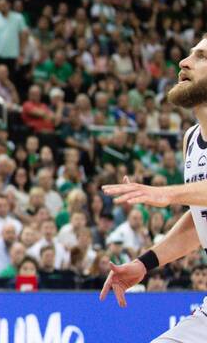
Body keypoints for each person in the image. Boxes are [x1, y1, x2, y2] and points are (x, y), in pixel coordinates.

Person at [100, 36, 207, 341]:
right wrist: (145, 263)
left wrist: (168, 193)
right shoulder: (191, 139)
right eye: (189, 55)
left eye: (201, 57)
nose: (184, 63)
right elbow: (201, 219)